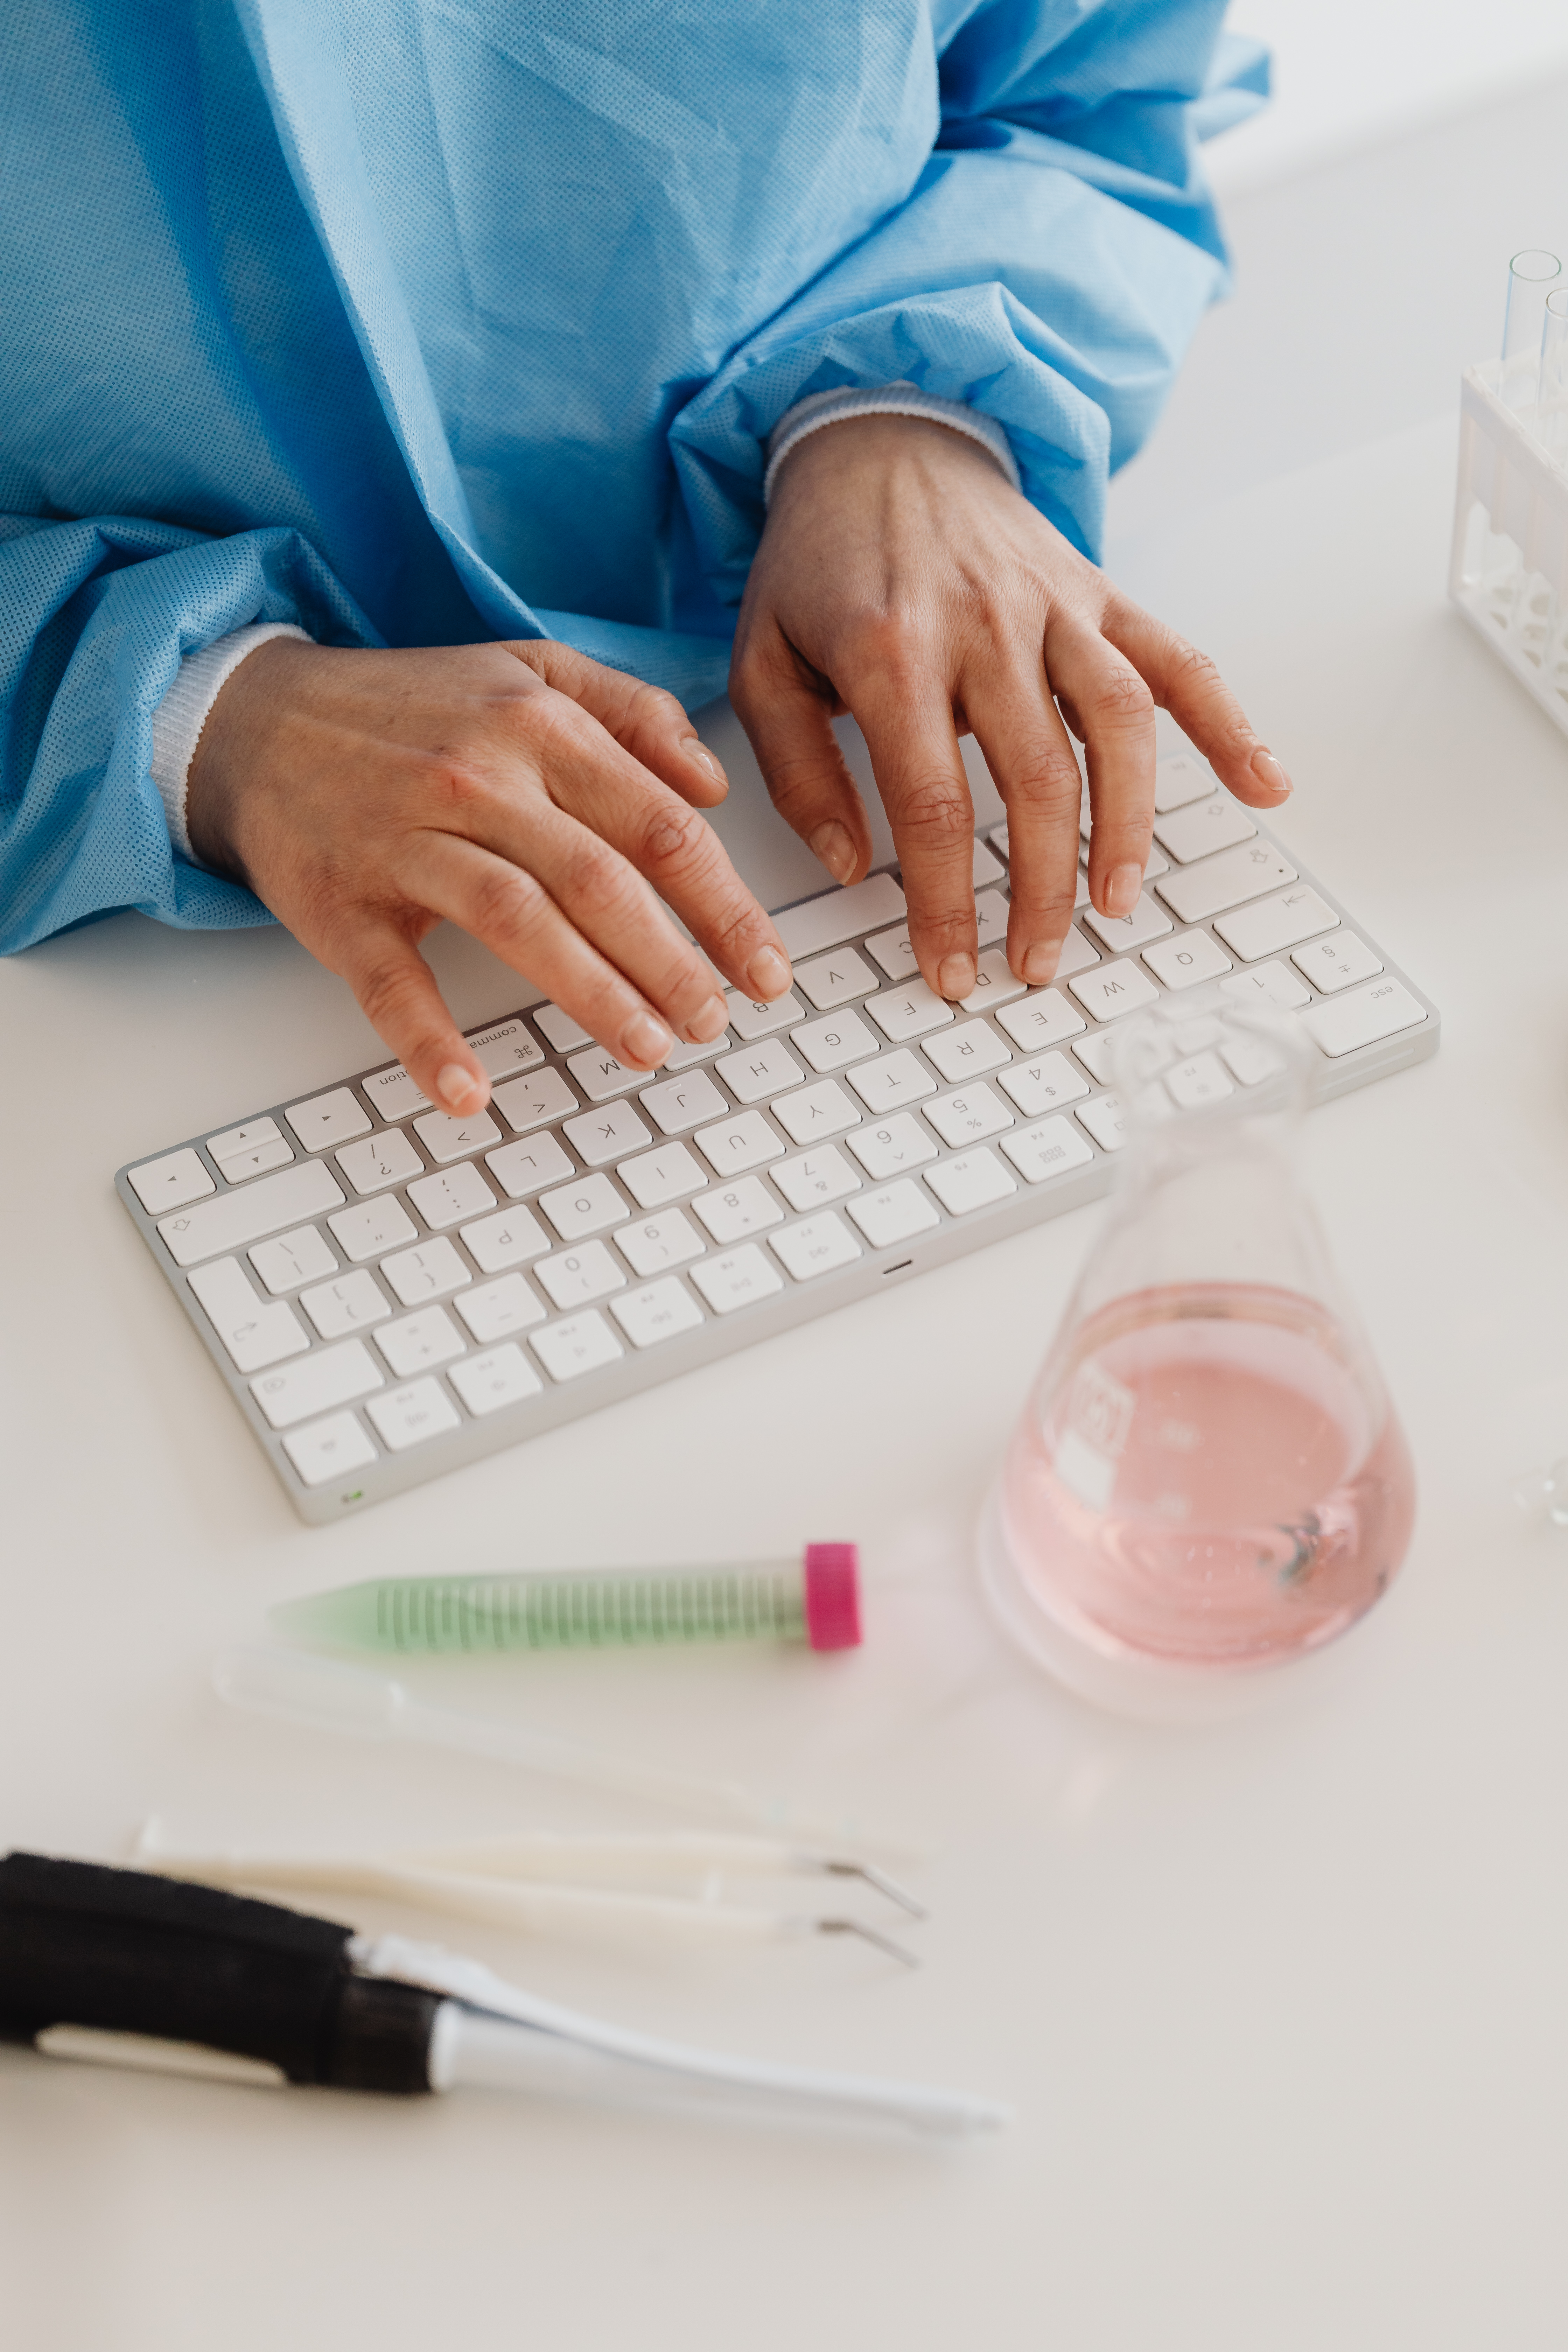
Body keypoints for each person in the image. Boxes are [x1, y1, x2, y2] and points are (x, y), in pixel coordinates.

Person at [1, 0, 1286, 1118]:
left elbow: (1084, 79)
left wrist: (899, 416)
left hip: (824, 700)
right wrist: (201, 724)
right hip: (180, 948)